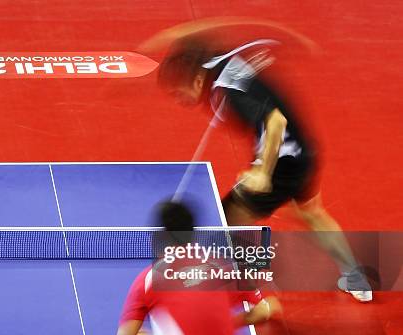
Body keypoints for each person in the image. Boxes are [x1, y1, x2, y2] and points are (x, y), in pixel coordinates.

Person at [153, 36, 372, 302]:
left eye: (180, 92)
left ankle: (253, 293)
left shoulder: (227, 93)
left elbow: (275, 121)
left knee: (230, 221)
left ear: (198, 80)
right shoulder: (218, 61)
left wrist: (262, 172)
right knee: (311, 213)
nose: (181, 100)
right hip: (304, 151)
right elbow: (203, 48)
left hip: (281, 162)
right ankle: (355, 277)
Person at [117, 200, 281, 335]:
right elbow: (264, 310)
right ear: (193, 232)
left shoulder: (149, 280)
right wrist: (224, 323)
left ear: (161, 235)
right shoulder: (224, 266)